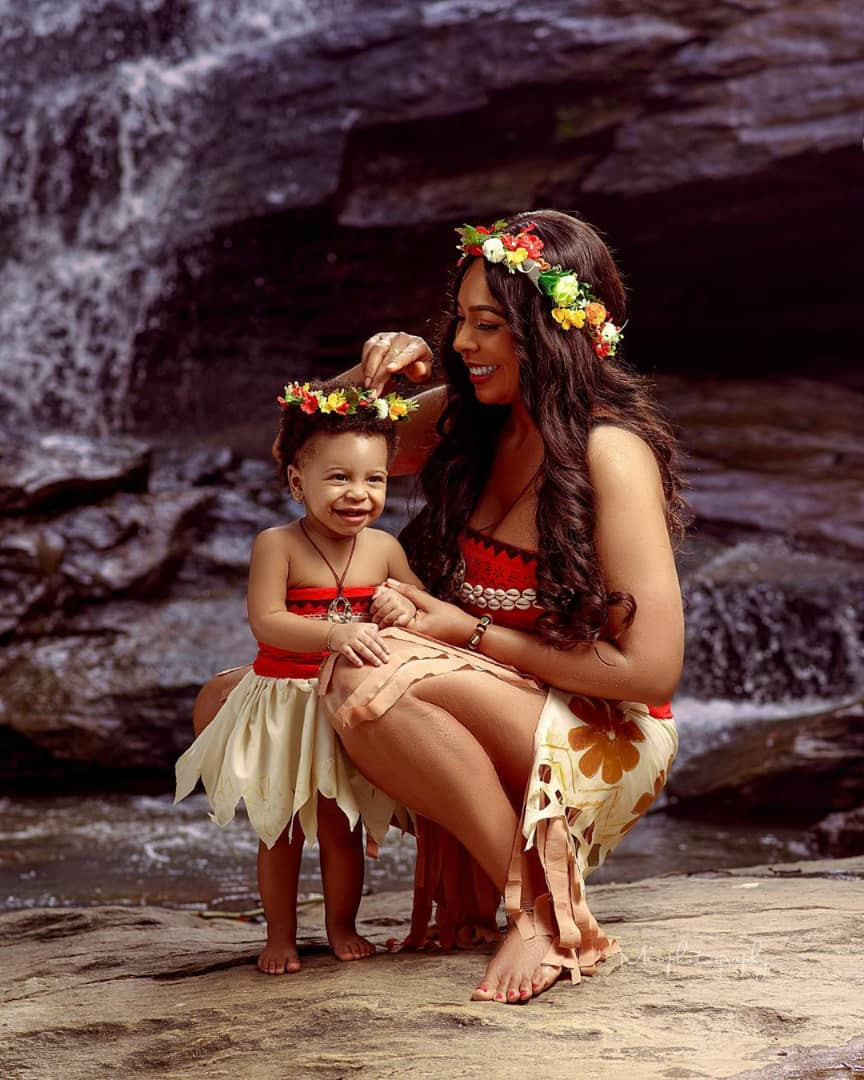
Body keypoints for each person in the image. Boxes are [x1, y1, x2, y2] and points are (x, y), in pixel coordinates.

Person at [317, 210, 687, 1004]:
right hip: (483, 705)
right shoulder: (472, 421)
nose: (461, 343)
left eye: (487, 326)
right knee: (305, 686)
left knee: (374, 675)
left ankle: (539, 913)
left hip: (602, 735)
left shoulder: (610, 453)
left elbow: (652, 670)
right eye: (460, 321)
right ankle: (540, 899)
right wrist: (369, 376)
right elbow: (310, 450)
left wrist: (467, 631)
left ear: (551, 332)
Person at [174, 381, 423, 975]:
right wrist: (334, 634)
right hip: (284, 704)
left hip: (345, 707)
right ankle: (280, 936)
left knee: (341, 825)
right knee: (278, 828)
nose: (358, 493)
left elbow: (420, 604)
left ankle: (342, 926)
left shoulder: (384, 548)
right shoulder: (277, 544)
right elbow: (267, 620)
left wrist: (405, 605)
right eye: (338, 477)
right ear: (297, 483)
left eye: (375, 479)